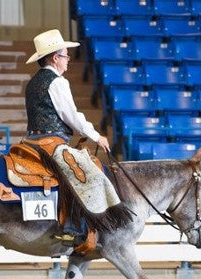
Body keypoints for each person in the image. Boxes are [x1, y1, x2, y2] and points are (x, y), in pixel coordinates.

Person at [23, 29, 131, 242]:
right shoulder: (57, 82)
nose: (68, 60)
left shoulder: (34, 82)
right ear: (55, 58)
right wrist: (95, 136)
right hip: (50, 142)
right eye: (65, 56)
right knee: (83, 173)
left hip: (30, 141)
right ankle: (71, 227)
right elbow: (71, 116)